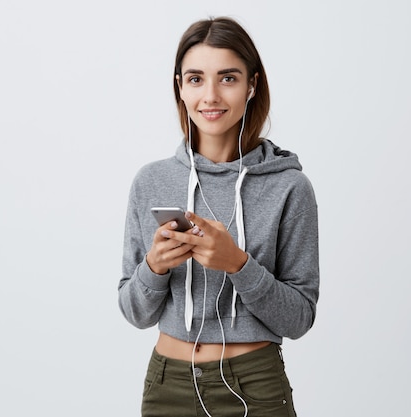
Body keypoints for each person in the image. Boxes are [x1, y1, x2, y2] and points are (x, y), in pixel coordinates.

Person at [118, 16, 319, 417]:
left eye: (227, 78)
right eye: (195, 79)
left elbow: (299, 318)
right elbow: (135, 312)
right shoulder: (151, 181)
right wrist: (154, 268)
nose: (210, 95)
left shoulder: (289, 187)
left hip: (255, 385)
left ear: (252, 85)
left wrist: (238, 264)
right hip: (168, 384)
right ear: (180, 86)